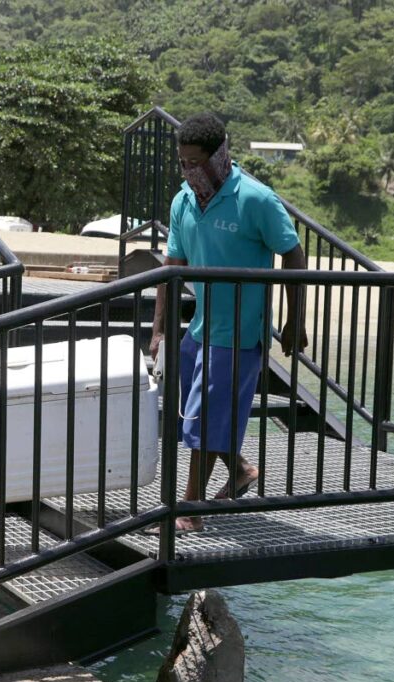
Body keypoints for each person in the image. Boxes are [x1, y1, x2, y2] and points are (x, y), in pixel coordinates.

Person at [149, 112, 307, 533]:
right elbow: (172, 265)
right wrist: (159, 327)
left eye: (196, 162)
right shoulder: (183, 200)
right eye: (182, 162)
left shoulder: (255, 198)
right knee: (197, 416)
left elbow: (292, 251)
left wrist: (295, 320)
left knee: (202, 417)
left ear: (219, 156)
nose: (189, 170)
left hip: (239, 332)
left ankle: (189, 509)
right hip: (199, 327)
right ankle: (240, 470)